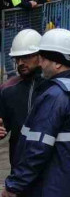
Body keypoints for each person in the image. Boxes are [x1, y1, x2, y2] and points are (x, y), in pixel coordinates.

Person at [2, 28, 70, 197]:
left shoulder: (55, 96)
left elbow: (37, 148)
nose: (40, 64)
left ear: (57, 62)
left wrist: (14, 186)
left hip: (54, 185)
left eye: (43, 58)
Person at [0, 30, 46, 167]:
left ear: (40, 56)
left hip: (50, 164)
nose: (20, 63)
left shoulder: (53, 86)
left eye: (26, 57)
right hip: (20, 163)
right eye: (17, 58)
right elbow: (4, 123)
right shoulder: (8, 90)